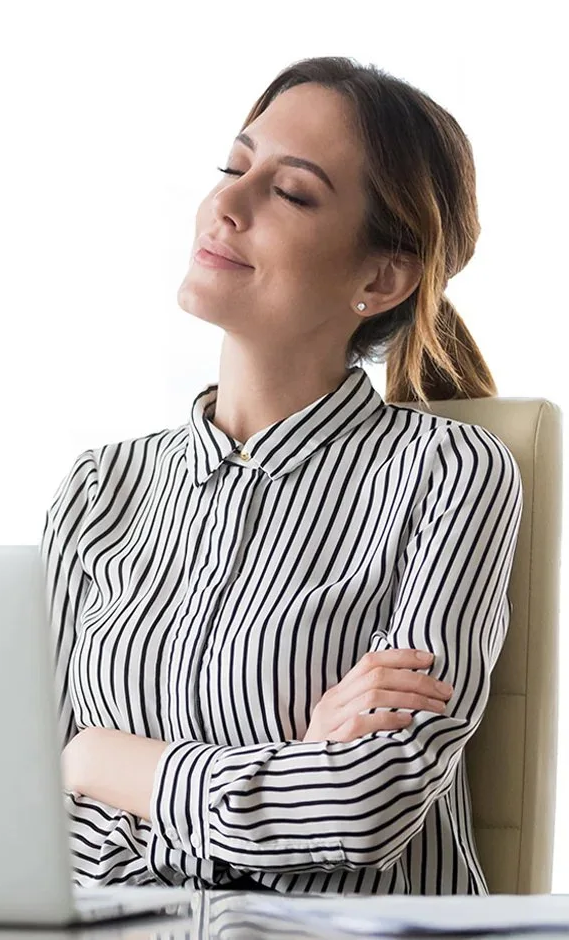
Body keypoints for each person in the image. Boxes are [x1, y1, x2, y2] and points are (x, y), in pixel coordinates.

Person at [40, 56, 522, 896]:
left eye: (291, 192)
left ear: (381, 277)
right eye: (233, 166)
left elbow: (364, 808)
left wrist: (100, 760)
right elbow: (25, 795)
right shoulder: (100, 487)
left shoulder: (450, 472)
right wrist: (293, 762)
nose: (227, 204)